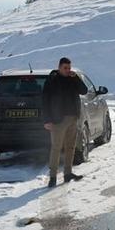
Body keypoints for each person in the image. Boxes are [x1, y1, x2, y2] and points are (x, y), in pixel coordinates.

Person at [42, 57, 90, 188]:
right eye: (65, 68)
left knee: (70, 147)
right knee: (56, 148)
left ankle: (68, 173)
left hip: (73, 118)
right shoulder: (52, 80)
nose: (68, 70)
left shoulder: (72, 79)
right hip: (58, 120)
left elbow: (84, 91)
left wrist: (76, 78)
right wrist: (46, 120)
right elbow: (45, 100)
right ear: (59, 67)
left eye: (69, 68)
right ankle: (52, 177)